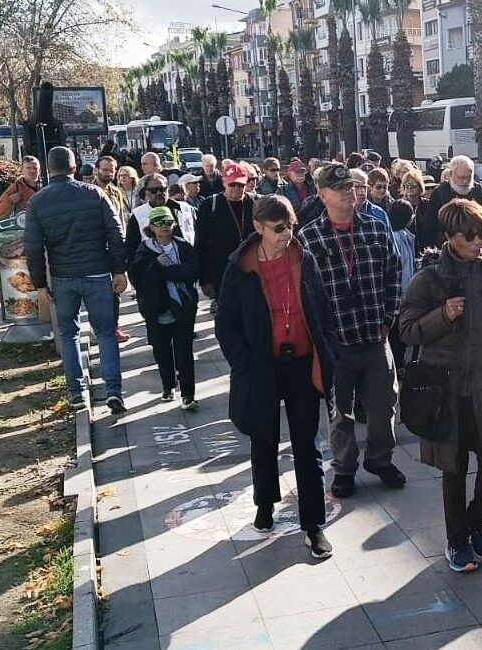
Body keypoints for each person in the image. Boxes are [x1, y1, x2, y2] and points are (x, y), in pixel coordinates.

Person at [399, 198, 482, 573]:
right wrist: (442, 316)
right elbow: (406, 329)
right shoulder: (430, 278)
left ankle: (477, 520)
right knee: (453, 469)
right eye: (470, 238)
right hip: (445, 391)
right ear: (451, 237)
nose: (478, 243)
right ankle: (456, 540)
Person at [215, 194, 337, 559]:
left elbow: (321, 308)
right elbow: (226, 324)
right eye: (278, 229)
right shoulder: (240, 266)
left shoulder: (304, 257)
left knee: (307, 443)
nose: (287, 235)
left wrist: (325, 351)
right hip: (261, 367)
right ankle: (264, 504)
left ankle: (314, 524)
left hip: (301, 364)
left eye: (291, 227)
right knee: (263, 438)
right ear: (258, 228)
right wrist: (244, 363)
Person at [297, 164, 405, 498]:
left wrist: (389, 316)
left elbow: (394, 273)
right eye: (339, 188)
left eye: (350, 186)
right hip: (336, 344)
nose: (348, 192)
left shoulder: (375, 228)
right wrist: (319, 338)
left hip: (375, 336)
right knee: (339, 412)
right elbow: (305, 292)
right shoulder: (309, 238)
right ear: (322, 194)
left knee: (384, 405)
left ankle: (380, 459)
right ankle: (344, 468)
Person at [24, 146, 128, 414]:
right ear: (74, 167)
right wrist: (119, 270)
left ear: (48, 169)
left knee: (69, 334)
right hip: (96, 272)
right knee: (105, 332)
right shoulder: (94, 193)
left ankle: (77, 392)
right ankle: (113, 391)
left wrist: (39, 284)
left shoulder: (38, 201)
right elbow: (115, 233)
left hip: (62, 276)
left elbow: (33, 247)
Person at [128, 206, 200, 410]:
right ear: (150, 226)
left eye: (168, 222)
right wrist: (155, 266)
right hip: (156, 308)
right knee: (161, 349)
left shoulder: (183, 246)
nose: (164, 227)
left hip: (183, 306)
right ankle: (168, 385)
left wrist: (166, 271)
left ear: (174, 225)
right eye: (159, 223)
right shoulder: (145, 249)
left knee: (184, 351)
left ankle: (188, 395)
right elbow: (138, 278)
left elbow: (192, 272)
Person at [196, 162, 255, 313]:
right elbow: (200, 243)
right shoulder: (210, 206)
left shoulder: (255, 203)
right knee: (227, 314)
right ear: (224, 183)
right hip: (221, 271)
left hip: (250, 269)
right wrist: (204, 279)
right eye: (232, 185)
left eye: (241, 185)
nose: (237, 189)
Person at [93, 155, 132, 343]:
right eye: (105, 170)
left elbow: (121, 219)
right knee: (99, 292)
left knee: (116, 290)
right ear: (97, 170)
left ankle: (115, 326)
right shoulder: (90, 191)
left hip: (115, 246)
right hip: (96, 248)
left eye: (112, 170)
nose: (109, 173)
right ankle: (100, 328)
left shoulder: (117, 192)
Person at [415, 156, 482, 253]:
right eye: (461, 177)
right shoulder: (440, 192)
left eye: (468, 177)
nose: (465, 181)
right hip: (446, 248)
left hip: (473, 246)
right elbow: (430, 225)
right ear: (451, 174)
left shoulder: (477, 191)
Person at [388, 200, 416, 373]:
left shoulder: (405, 235)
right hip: (399, 293)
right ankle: (397, 365)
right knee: (397, 334)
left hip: (406, 293)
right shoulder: (395, 238)